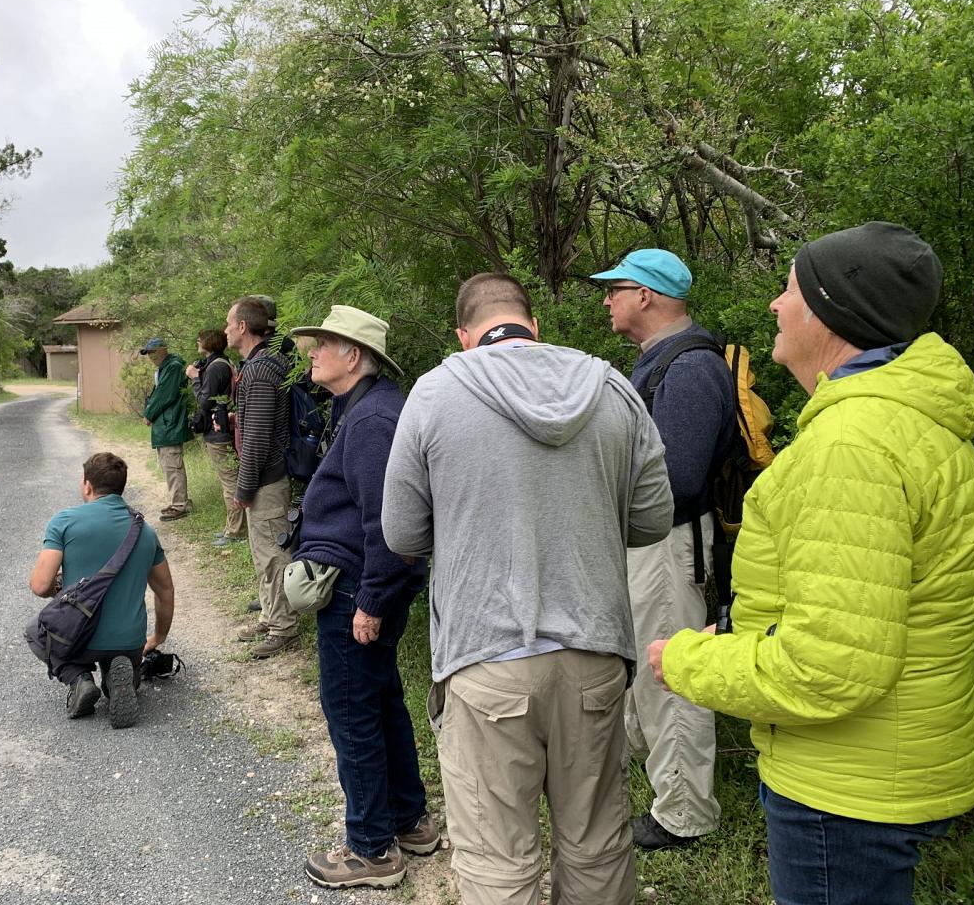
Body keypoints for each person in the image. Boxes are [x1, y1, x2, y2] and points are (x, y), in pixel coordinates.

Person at [649, 222, 974, 905]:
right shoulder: (907, 426)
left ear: (833, 314)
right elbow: (877, 611)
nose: (776, 306)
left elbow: (831, 667)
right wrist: (748, 638)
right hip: (889, 765)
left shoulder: (850, 449)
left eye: (790, 289)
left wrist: (688, 662)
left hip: (846, 788)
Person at [383, 273, 674, 905]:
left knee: (497, 860)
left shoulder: (435, 394)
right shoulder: (612, 387)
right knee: (596, 845)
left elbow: (402, 532)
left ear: (464, 337)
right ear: (533, 325)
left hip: (484, 660)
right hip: (594, 655)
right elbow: (652, 519)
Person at [287, 306, 436, 890]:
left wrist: (371, 602)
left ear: (354, 356)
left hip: (358, 586)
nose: (311, 352)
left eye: (323, 344)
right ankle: (409, 821)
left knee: (352, 711)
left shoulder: (373, 419)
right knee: (379, 700)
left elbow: (387, 525)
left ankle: (372, 850)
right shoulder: (368, 409)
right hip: (363, 581)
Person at [592, 248, 736, 849]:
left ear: (645, 295)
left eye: (615, 289)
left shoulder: (690, 367)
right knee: (643, 669)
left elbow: (678, 479)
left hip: (671, 543)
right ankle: (649, 779)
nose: (607, 300)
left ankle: (684, 813)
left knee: (671, 675)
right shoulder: (661, 362)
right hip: (651, 542)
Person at [25, 452, 175, 729]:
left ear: (87, 485)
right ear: (121, 487)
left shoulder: (65, 521)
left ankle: (79, 678)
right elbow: (165, 591)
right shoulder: (145, 531)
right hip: (130, 642)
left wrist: (61, 587)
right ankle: (119, 674)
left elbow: (40, 585)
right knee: (122, 656)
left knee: (35, 630)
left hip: (78, 640)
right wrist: (157, 636)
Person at [224, 296, 299, 659]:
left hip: (267, 478)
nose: (224, 329)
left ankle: (284, 627)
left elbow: (257, 436)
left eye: (228, 323)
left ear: (242, 326)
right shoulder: (265, 363)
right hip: (267, 476)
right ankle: (271, 617)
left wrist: (244, 486)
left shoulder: (258, 370)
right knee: (263, 552)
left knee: (272, 555)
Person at [187, 328, 246, 548]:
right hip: (224, 428)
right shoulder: (224, 362)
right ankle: (233, 527)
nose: (197, 342)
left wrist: (194, 379)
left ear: (208, 343)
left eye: (199, 339)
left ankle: (235, 531)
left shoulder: (215, 367)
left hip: (218, 432)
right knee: (230, 479)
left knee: (229, 481)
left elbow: (204, 401)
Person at [140, 336, 194, 522]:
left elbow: (164, 395)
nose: (151, 356)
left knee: (172, 464)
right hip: (166, 424)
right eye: (148, 352)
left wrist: (149, 413)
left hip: (170, 423)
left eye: (154, 351)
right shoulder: (166, 367)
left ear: (164, 349)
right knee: (168, 464)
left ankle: (180, 505)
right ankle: (178, 502)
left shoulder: (172, 367)